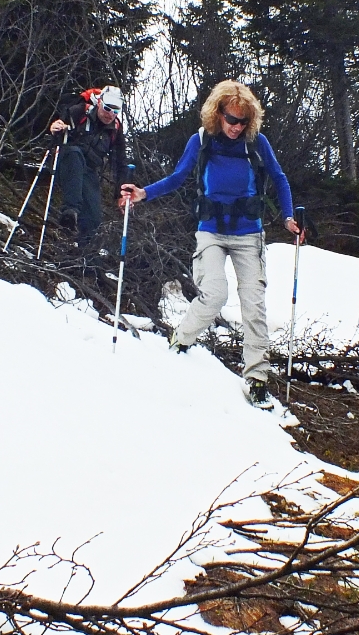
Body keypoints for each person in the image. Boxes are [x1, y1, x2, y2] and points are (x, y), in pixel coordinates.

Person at [119, 80, 298, 406]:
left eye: (243, 121)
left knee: (253, 305)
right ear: (219, 114)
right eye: (232, 119)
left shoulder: (256, 143)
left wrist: (288, 218)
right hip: (211, 230)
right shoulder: (201, 141)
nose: (236, 127)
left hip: (248, 233)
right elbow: (177, 177)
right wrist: (144, 193)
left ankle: (257, 379)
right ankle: (181, 338)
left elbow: (279, 177)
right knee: (214, 292)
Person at [49, 85, 127, 246]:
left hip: (89, 170)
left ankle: (86, 259)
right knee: (75, 153)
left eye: (116, 111)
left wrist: (121, 193)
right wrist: (55, 127)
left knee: (94, 218)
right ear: (99, 102)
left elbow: (121, 162)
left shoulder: (115, 129)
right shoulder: (79, 111)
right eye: (107, 108)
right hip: (67, 162)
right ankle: (70, 211)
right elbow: (58, 126)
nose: (110, 114)